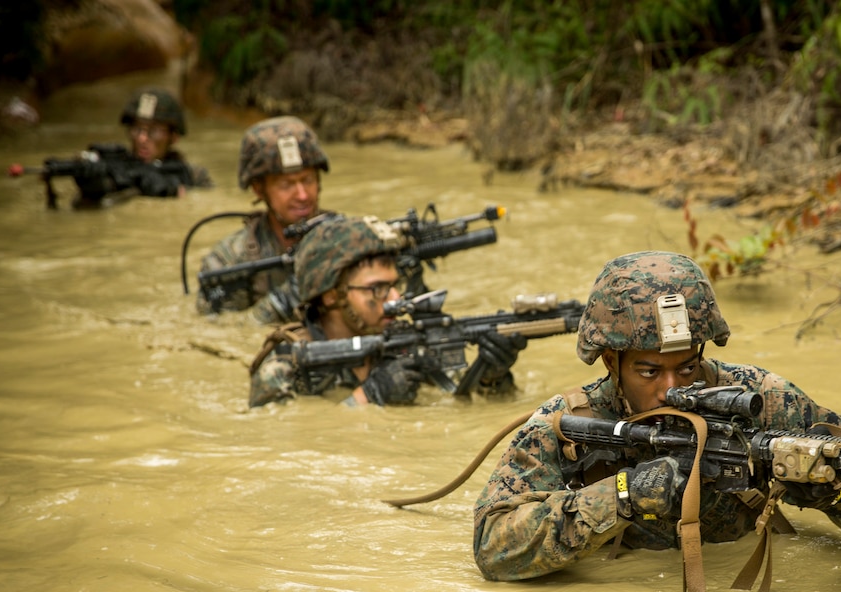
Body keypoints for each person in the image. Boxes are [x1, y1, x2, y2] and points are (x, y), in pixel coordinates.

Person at [473, 250, 841, 588]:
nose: (670, 388)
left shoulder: (763, 400)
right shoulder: (569, 424)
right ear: (611, 361)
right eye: (648, 371)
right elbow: (494, 547)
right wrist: (623, 495)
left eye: (686, 367)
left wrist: (835, 492)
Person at [248, 215, 525, 408]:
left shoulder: (404, 343)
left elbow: (474, 410)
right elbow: (282, 448)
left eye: (395, 285)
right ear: (331, 295)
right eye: (377, 288)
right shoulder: (285, 366)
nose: (395, 298)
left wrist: (491, 375)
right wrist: (369, 397)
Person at [195, 116, 330, 324]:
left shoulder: (346, 237)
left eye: (308, 180)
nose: (302, 195)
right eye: (287, 185)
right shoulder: (229, 260)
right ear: (259, 189)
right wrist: (285, 300)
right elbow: (216, 332)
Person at [71, 87, 209, 205]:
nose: (142, 138)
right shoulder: (117, 169)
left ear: (173, 137)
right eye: (136, 129)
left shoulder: (192, 175)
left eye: (153, 131)